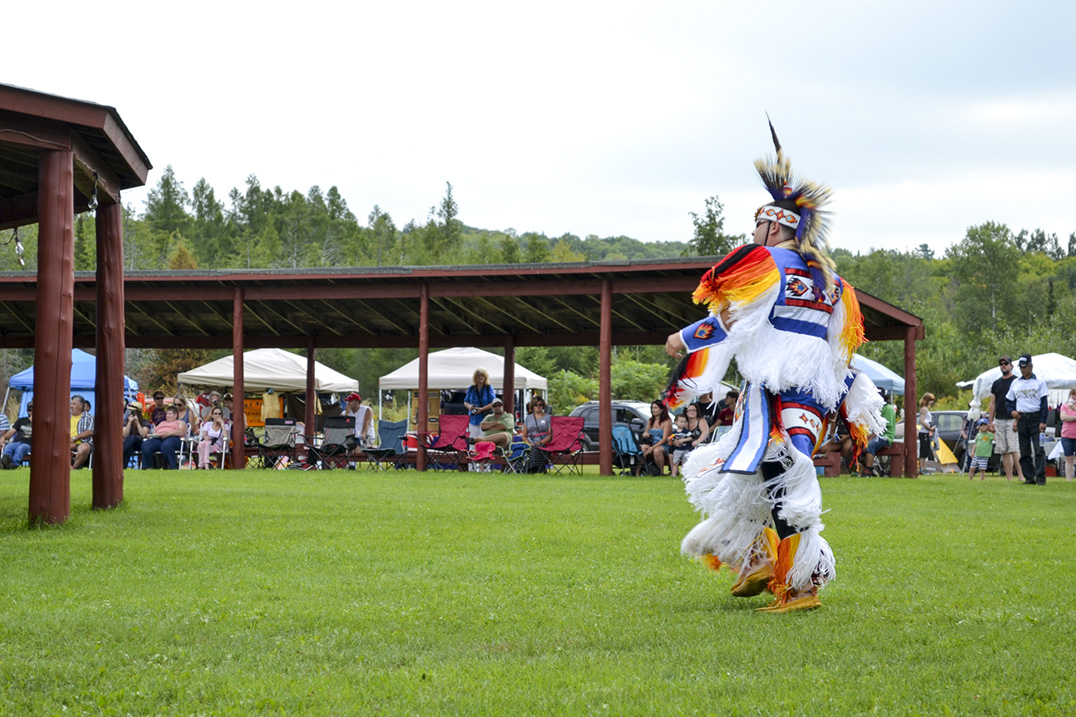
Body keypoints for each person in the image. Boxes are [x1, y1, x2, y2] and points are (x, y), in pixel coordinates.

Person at [663, 122, 884, 613]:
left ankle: (800, 585)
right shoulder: (835, 283)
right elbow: (841, 349)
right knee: (764, 477)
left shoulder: (766, 263)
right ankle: (761, 562)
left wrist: (683, 338)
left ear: (774, 227)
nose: (751, 235)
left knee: (780, 479)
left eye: (756, 226)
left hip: (778, 393)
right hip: (809, 399)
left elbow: (733, 319)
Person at [1006, 354, 1049, 485]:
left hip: (1036, 417)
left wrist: (1043, 421)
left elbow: (1044, 404)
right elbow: (1008, 402)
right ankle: (1029, 477)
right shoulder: (1015, 383)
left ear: (1031, 366)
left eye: (1024, 367)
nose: (1022, 370)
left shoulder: (1039, 382)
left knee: (1039, 449)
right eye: (1020, 367)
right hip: (1022, 418)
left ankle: (1040, 478)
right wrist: (1012, 412)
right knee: (1024, 450)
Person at [986, 356, 1023, 482]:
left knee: (1014, 449)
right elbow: (993, 403)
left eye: (1005, 363)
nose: (1003, 365)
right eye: (1001, 364)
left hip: (1012, 419)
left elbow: (1020, 401)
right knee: (1004, 450)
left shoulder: (1017, 381)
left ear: (1011, 365)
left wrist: (1017, 420)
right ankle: (1009, 478)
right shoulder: (996, 383)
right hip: (1000, 419)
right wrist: (991, 422)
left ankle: (1021, 476)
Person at [860, 389, 897, 477]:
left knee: (869, 445)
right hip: (876, 435)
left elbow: (882, 428)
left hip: (885, 436)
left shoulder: (888, 409)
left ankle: (868, 470)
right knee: (859, 446)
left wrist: (870, 438)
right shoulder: (878, 409)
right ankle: (871, 468)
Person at [636, 400, 672, 476]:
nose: (653, 410)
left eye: (656, 408)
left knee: (657, 450)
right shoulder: (650, 421)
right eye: (652, 408)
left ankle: (660, 472)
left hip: (664, 445)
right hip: (651, 443)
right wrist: (645, 434)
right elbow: (646, 432)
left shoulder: (667, 422)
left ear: (662, 410)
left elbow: (665, 439)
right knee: (643, 448)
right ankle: (638, 471)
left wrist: (652, 448)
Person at [520, 396, 552, 473]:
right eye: (536, 405)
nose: (538, 406)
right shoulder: (528, 418)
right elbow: (524, 435)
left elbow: (550, 435)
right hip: (530, 443)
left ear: (543, 406)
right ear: (532, 406)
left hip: (543, 444)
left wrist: (540, 443)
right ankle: (537, 469)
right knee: (524, 450)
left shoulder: (548, 418)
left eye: (540, 405)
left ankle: (529, 469)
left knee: (534, 450)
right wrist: (528, 443)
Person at [464, 368, 496, 440]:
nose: (480, 377)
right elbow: (466, 402)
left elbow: (493, 403)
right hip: (473, 419)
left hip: (485, 418)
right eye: (478, 376)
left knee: (483, 440)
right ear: (475, 377)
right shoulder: (471, 388)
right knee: (472, 440)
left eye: (482, 375)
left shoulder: (488, 388)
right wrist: (470, 407)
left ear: (485, 377)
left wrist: (482, 409)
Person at [0, 401, 32, 468]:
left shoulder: (39, 423)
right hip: (16, 442)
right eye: (30, 410)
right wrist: (3, 437)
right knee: (9, 446)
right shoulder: (21, 421)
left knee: (21, 448)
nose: (31, 412)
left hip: (28, 444)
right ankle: (4, 462)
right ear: (27, 411)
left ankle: (14, 464)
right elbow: (11, 432)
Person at [123, 401, 151, 468]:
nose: (130, 412)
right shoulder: (126, 421)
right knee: (130, 448)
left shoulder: (145, 421)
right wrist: (129, 422)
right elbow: (125, 435)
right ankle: (123, 468)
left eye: (133, 411)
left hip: (140, 443)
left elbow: (143, 435)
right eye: (130, 410)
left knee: (133, 437)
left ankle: (119, 452)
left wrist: (137, 423)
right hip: (129, 443)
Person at [71, 395, 94, 469]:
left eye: (74, 404)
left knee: (84, 448)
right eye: (71, 404)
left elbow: (90, 432)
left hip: (83, 442)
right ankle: (69, 468)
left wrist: (74, 439)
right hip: (67, 442)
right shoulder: (65, 416)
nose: (71, 406)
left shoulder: (89, 417)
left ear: (81, 406)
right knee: (60, 447)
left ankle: (73, 468)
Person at [668, 413, 693, 478]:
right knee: (675, 463)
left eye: (684, 422)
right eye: (681, 422)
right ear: (676, 422)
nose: (683, 423)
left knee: (684, 463)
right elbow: (670, 439)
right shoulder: (674, 433)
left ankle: (685, 475)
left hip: (685, 449)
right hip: (677, 450)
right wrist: (674, 441)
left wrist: (684, 440)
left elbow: (691, 437)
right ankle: (673, 474)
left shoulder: (686, 431)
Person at [1059, 388, 1076, 482]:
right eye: (1072, 394)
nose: (1074, 397)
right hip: (1067, 435)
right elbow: (1063, 417)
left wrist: (1074, 410)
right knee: (1068, 458)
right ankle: (1068, 479)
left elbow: (1067, 418)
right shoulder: (1064, 406)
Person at [917, 393, 936, 474]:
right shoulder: (924, 409)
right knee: (923, 451)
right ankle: (921, 468)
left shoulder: (926, 409)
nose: (932, 402)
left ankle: (924, 467)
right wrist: (929, 428)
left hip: (926, 432)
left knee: (926, 451)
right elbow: (922, 421)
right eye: (931, 400)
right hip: (923, 432)